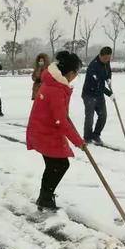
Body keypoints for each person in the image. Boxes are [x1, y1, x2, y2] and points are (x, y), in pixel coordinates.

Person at [26, 51, 85, 211]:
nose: (75, 76)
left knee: (53, 165)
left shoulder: (53, 83)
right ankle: (45, 197)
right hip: (45, 132)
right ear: (70, 72)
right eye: (76, 73)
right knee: (60, 164)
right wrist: (78, 141)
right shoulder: (56, 88)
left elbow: (60, 117)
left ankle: (45, 196)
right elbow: (61, 121)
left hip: (42, 129)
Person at [82, 46, 114, 145]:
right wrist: (109, 94)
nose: (107, 61)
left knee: (103, 116)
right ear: (100, 55)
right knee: (89, 118)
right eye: (105, 58)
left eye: (109, 59)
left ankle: (96, 135)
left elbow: (108, 71)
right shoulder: (93, 67)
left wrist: (109, 78)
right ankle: (87, 138)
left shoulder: (106, 62)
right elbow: (99, 84)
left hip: (99, 95)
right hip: (89, 94)